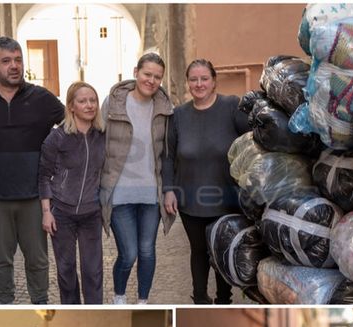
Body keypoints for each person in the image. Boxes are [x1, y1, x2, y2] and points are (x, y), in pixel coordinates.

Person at [0, 37, 65, 305]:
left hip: (35, 196)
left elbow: (72, 126)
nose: (14, 66)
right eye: (6, 61)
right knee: (1, 258)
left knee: (37, 257)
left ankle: (40, 301)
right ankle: (4, 302)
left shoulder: (42, 98)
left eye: (18, 59)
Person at [165, 59, 250, 304]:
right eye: (194, 79)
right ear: (188, 83)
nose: (199, 84)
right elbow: (168, 156)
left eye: (204, 79)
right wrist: (169, 190)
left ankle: (224, 299)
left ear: (214, 82)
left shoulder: (231, 106)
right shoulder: (178, 115)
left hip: (226, 196)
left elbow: (252, 139)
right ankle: (200, 298)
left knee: (222, 249)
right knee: (199, 251)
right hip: (190, 198)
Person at [101, 53, 177, 305]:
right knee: (129, 253)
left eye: (157, 77)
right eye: (147, 74)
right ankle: (119, 296)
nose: (152, 80)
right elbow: (97, 140)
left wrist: (168, 190)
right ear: (136, 72)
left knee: (147, 251)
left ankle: (143, 299)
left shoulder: (165, 109)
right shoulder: (113, 103)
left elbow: (168, 153)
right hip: (119, 193)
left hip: (150, 196)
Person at [38, 81, 107, 304]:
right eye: (82, 101)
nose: (89, 105)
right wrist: (47, 212)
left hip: (91, 213)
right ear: (71, 106)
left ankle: (95, 313)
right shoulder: (57, 138)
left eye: (93, 100)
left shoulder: (102, 135)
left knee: (93, 271)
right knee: (66, 271)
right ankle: (72, 309)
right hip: (62, 213)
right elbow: (44, 176)